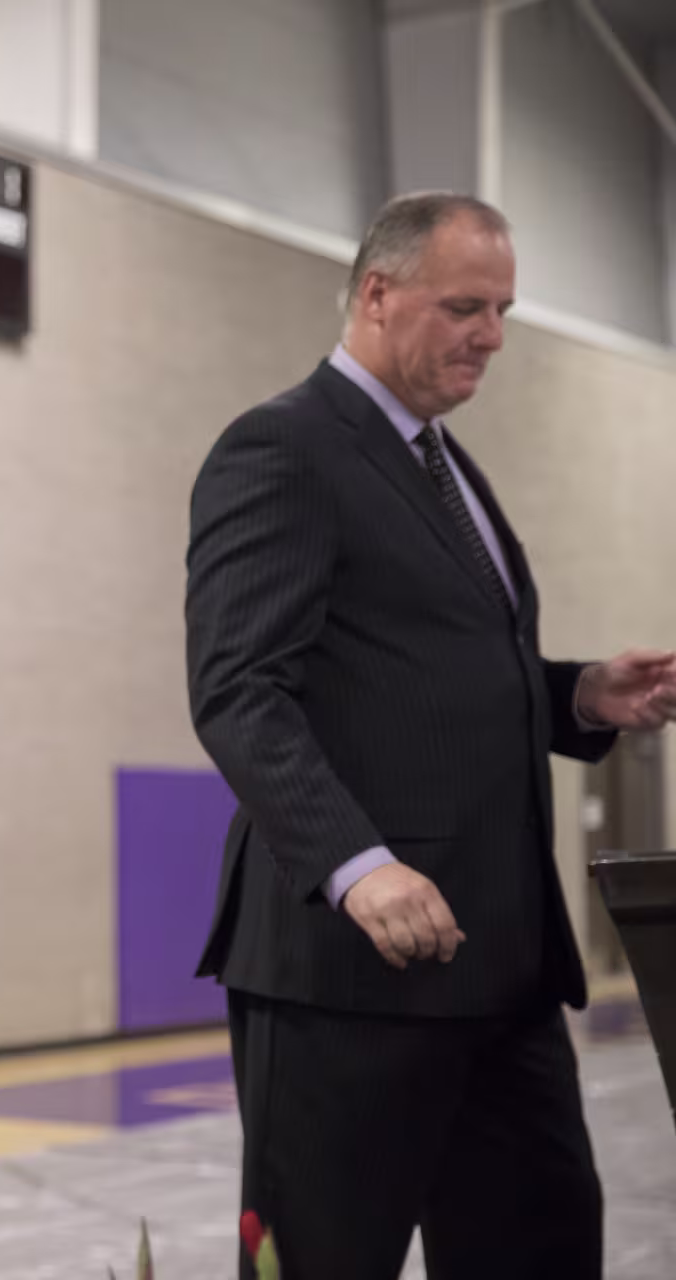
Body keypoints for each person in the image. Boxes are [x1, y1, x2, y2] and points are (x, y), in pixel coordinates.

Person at [185, 191, 676, 1280]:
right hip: (349, 967)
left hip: (499, 964)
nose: (492, 335)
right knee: (328, 1260)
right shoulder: (282, 447)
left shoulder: (447, 466)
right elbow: (238, 688)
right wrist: (360, 869)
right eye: (465, 305)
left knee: (542, 1246)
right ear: (376, 291)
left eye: (502, 309)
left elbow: (425, 680)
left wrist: (583, 694)